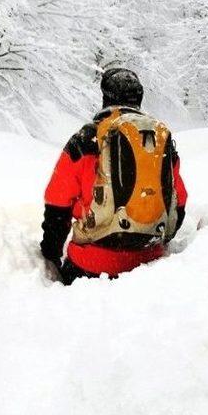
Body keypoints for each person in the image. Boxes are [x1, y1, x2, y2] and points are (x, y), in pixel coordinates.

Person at [40, 68, 188, 285]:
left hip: (90, 265)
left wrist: (50, 254)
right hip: (149, 265)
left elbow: (57, 202)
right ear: (139, 98)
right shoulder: (157, 141)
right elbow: (179, 201)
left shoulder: (86, 139)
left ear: (105, 97)